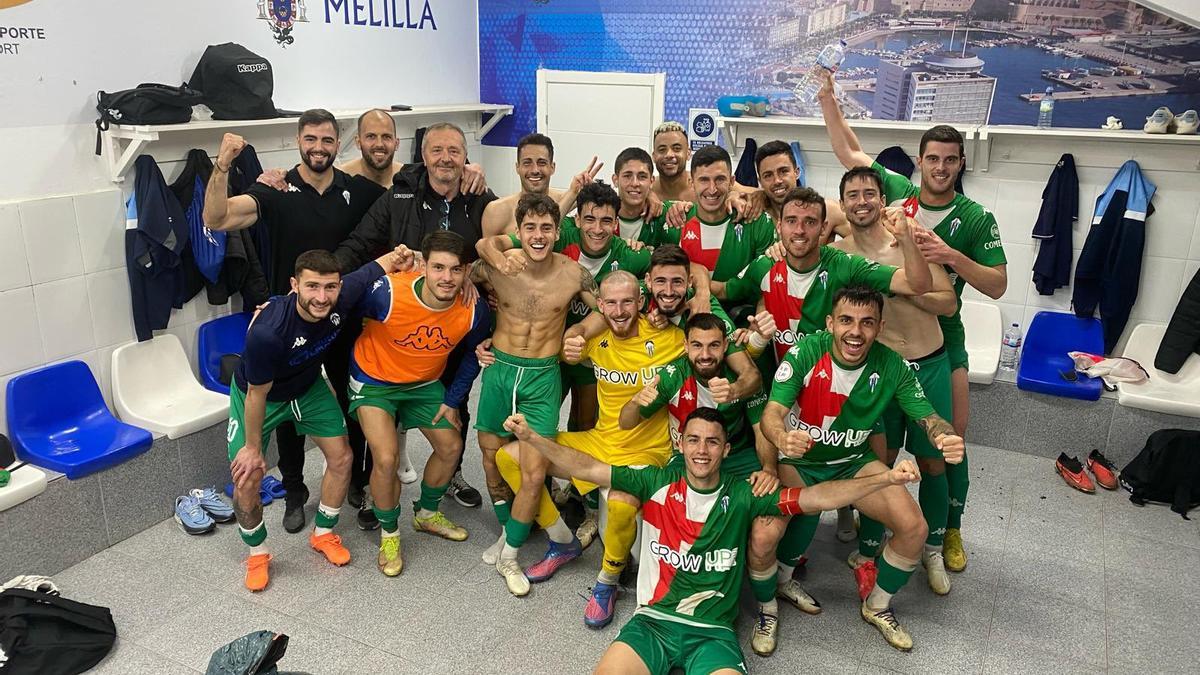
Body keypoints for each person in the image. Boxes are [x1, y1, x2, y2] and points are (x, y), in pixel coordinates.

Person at [502, 408, 921, 675]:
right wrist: (534, 440)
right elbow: (589, 466)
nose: (702, 450)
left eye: (712, 442)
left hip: (713, 633)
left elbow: (816, 497)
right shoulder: (654, 480)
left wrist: (883, 478)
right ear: (680, 444)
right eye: (694, 440)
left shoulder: (744, 494)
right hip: (652, 623)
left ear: (725, 449)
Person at [819, 71, 1008, 572]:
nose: (940, 168)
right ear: (920, 163)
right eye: (933, 159)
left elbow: (994, 286)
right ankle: (876, 534)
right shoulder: (896, 200)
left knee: (946, 447)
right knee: (877, 450)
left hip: (943, 341)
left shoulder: (974, 218)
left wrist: (946, 255)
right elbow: (850, 156)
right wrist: (827, 99)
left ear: (961, 164)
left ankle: (947, 531)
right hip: (885, 352)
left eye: (950, 160)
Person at [516, 272, 757, 628]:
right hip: (602, 439)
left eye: (627, 302)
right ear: (600, 306)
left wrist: (754, 343)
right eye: (611, 303)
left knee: (621, 502)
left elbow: (737, 361)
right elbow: (564, 345)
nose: (619, 310)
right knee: (515, 455)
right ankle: (562, 540)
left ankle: (607, 580)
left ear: (642, 301)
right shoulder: (594, 337)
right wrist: (574, 335)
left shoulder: (673, 339)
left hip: (648, 451)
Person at [203, 110, 385, 535]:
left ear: (338, 144)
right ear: (297, 140)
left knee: (348, 402)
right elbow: (215, 218)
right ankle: (295, 493)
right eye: (310, 139)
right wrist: (223, 164)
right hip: (288, 321)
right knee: (285, 417)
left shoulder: (356, 190)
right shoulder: (276, 190)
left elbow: (400, 190)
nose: (318, 147)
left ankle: (356, 482)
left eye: (326, 140)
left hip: (341, 317)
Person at [759, 286, 965, 651]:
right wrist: (781, 438)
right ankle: (778, 587)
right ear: (830, 323)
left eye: (867, 323)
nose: (855, 332)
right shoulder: (806, 351)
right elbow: (772, 414)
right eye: (846, 321)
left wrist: (944, 435)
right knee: (780, 524)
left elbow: (928, 418)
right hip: (801, 461)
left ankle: (878, 605)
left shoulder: (892, 365)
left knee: (913, 527)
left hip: (852, 462)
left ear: (880, 326)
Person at [334, 121, 499, 513]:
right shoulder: (400, 196)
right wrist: (325, 282)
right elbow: (359, 243)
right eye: (436, 150)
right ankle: (374, 489)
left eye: (454, 151)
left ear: (465, 158)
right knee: (383, 427)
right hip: (401, 317)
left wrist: (472, 273)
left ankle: (451, 474)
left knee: (453, 408)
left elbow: (505, 238)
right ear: (423, 156)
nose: (445, 158)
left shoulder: (480, 199)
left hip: (453, 321)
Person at [227, 247, 402, 592]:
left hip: (307, 387)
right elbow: (257, 396)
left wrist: (405, 255)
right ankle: (258, 554)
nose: (322, 297)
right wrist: (251, 447)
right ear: (295, 285)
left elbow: (380, 264)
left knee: (343, 457)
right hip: (261, 395)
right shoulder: (268, 332)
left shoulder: (342, 294)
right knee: (248, 477)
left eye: (329, 287)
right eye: (312, 287)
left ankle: (324, 533)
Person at [830, 166, 959, 595]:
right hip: (879, 371)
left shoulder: (909, 239)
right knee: (877, 464)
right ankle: (870, 549)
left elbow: (948, 302)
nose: (862, 200)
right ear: (844, 203)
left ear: (881, 199)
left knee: (932, 462)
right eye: (853, 194)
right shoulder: (841, 252)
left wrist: (901, 286)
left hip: (927, 362)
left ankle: (934, 549)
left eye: (870, 193)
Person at [468, 193, 600, 596]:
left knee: (533, 469)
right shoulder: (496, 267)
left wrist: (579, 332)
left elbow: (607, 311)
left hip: (544, 378)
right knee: (490, 456)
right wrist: (479, 340)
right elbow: (459, 289)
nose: (539, 236)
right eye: (530, 228)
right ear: (518, 231)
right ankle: (513, 528)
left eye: (547, 228)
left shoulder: (574, 274)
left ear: (558, 231)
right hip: (500, 370)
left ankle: (510, 553)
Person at [347, 231, 490, 576]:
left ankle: (426, 513)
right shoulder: (388, 292)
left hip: (424, 383)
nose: (446, 277)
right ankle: (390, 532)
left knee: (451, 445)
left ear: (466, 271)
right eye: (438, 267)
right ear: (423, 265)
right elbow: (342, 303)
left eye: (456, 270)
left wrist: (454, 399)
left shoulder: (474, 308)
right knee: (385, 457)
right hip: (374, 381)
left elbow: (474, 354)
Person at [479, 181, 652, 434]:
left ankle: (565, 471)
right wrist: (500, 265)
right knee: (514, 433)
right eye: (589, 219)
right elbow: (485, 246)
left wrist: (580, 331)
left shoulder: (629, 255)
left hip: (585, 344)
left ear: (616, 223)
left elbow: (652, 283)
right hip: (540, 354)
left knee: (582, 422)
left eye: (606, 221)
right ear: (576, 220)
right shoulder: (550, 237)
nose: (597, 228)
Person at [657, 146, 775, 284]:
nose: (712, 189)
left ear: (731, 182)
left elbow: (764, 284)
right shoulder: (674, 218)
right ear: (691, 182)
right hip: (685, 304)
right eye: (704, 180)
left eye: (720, 179)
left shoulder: (757, 222)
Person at [481, 133, 601, 236]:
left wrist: (585, 190)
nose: (535, 170)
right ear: (517, 167)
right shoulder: (496, 211)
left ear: (552, 167)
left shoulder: (566, 198)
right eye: (527, 163)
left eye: (542, 163)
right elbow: (486, 254)